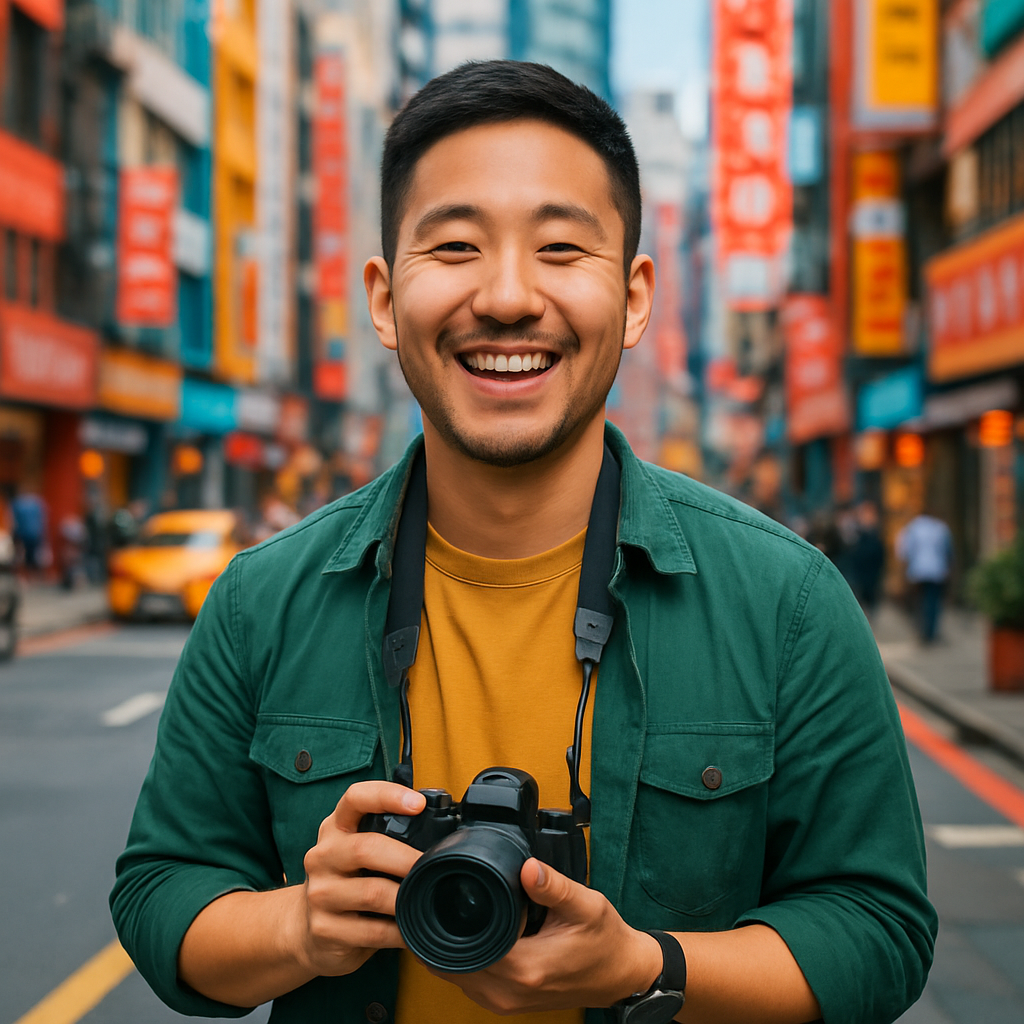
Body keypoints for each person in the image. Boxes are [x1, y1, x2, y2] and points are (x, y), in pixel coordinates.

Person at [111, 62, 935, 1024]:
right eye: (455, 245)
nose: (506, 298)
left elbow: (879, 929)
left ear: (634, 299)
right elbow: (162, 894)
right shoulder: (262, 601)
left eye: (559, 249)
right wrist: (302, 927)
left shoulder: (787, 602)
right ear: (383, 298)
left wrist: (645, 965)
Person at [896, 509, 953, 644]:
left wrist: (904, 572)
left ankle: (923, 630)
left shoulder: (913, 528)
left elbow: (906, 551)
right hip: (937, 571)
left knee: (920, 601)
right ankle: (931, 631)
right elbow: (948, 551)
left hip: (918, 571)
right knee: (933, 601)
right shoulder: (941, 528)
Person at [850, 500, 886, 618]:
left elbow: (879, 556)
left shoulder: (874, 536)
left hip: (871, 575)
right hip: (858, 575)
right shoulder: (856, 535)